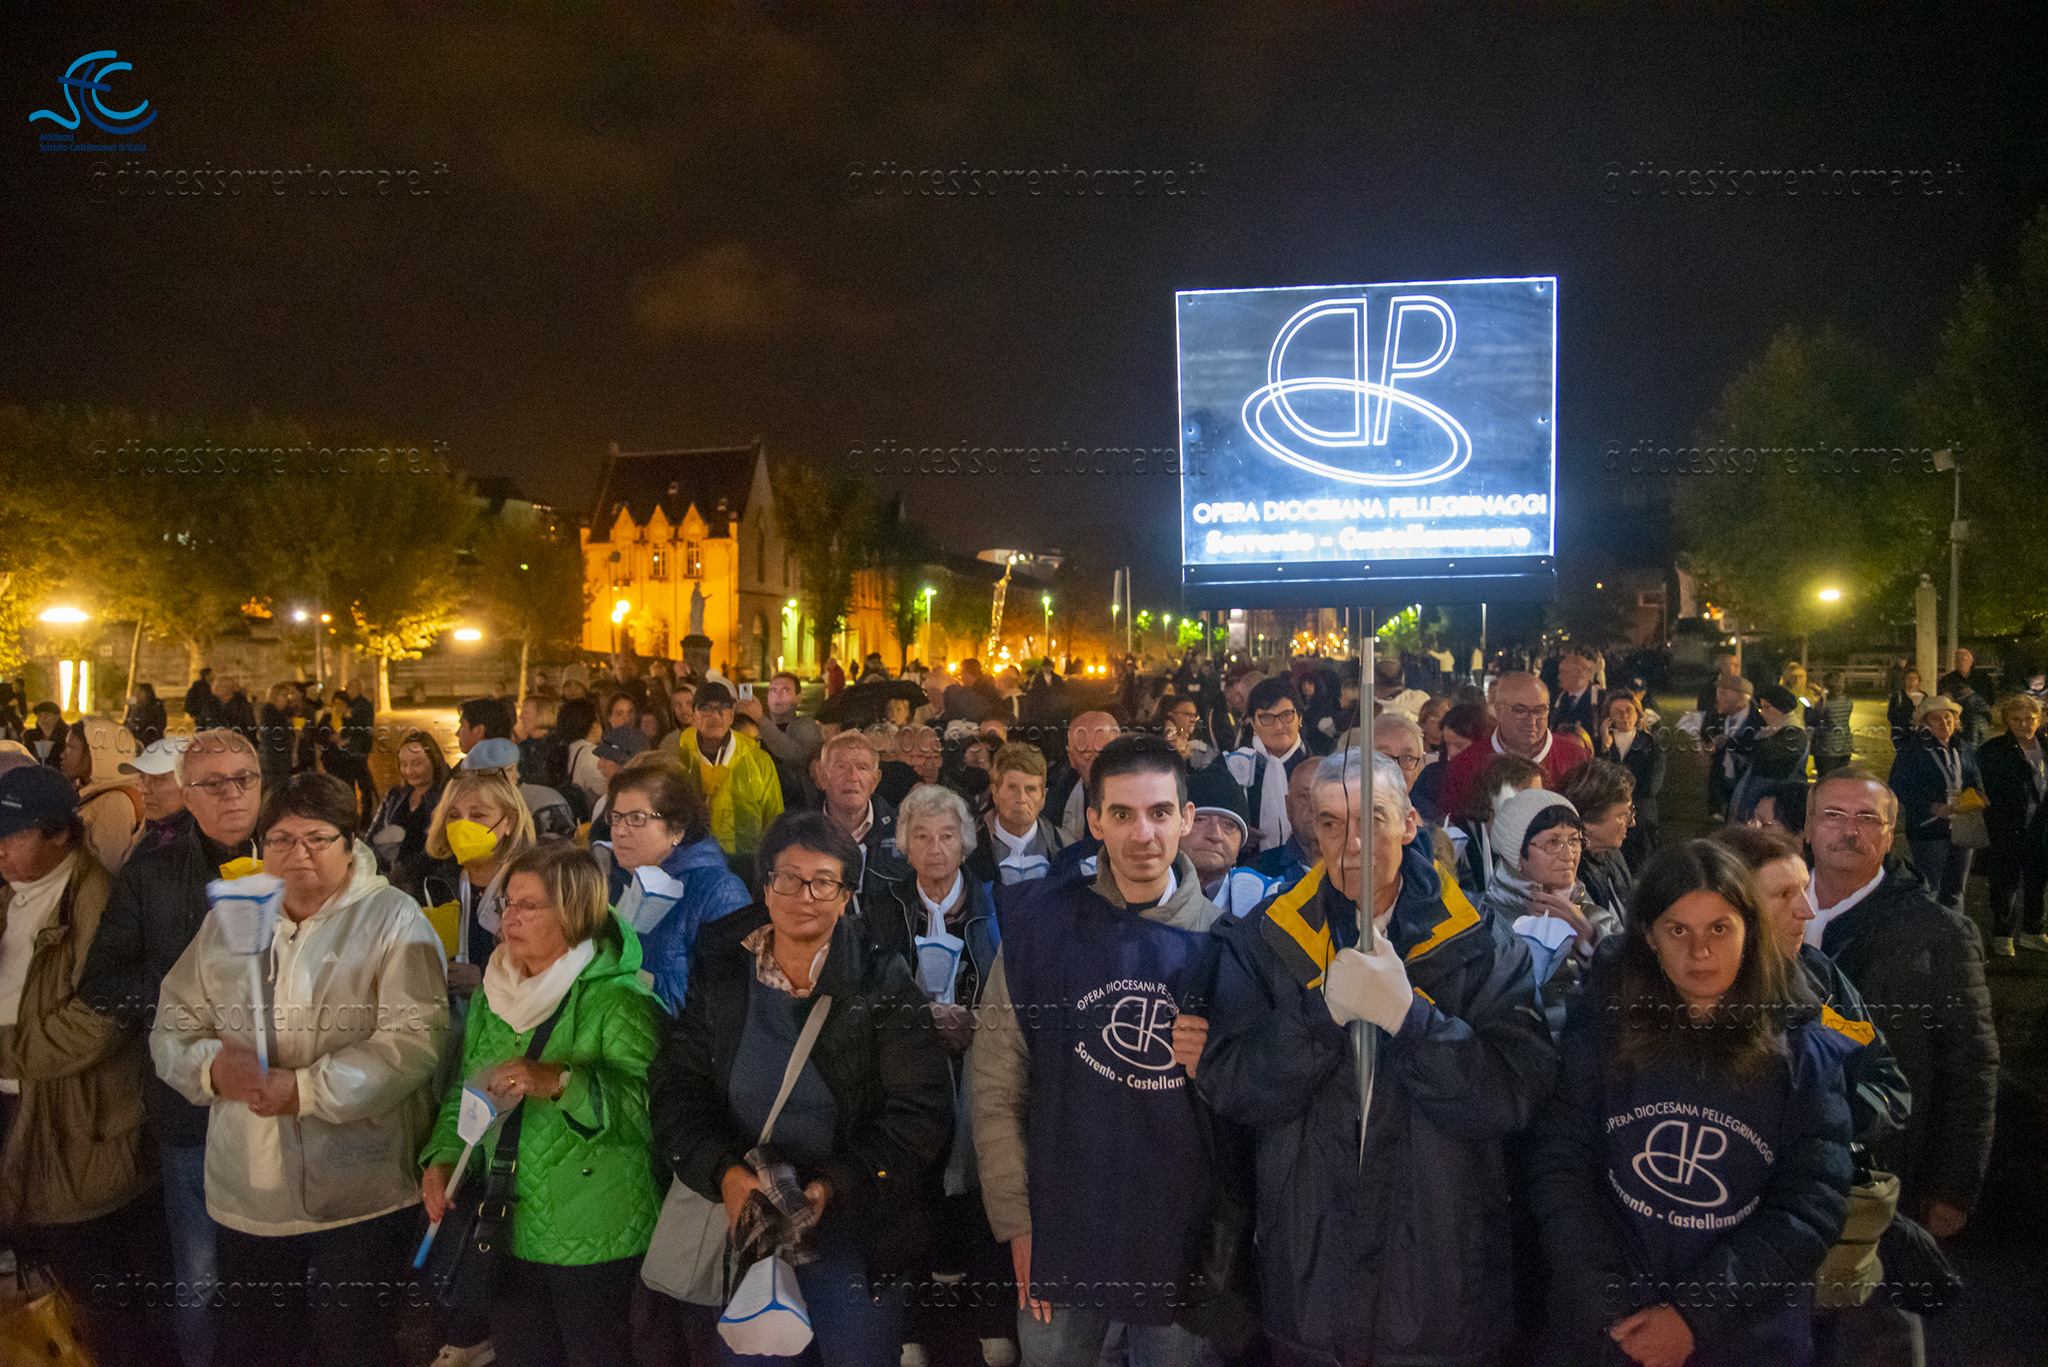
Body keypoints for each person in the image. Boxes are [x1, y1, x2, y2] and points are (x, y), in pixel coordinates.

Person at [1194, 749, 1553, 1366]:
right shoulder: (1265, 938)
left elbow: (1512, 1095)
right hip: (1308, 1278)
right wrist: (1320, 1017)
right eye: (1331, 823)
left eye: (1373, 819)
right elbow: (1234, 1087)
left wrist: (1411, 1021)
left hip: (1441, 1284)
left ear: (1410, 823)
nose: (1352, 843)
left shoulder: (1480, 941)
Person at [151, 772, 449, 1367]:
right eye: (281, 839)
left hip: (361, 1188)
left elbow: (413, 1040)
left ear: (349, 843)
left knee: (355, 1344)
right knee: (257, 1344)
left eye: (317, 838)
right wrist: (212, 1072)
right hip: (250, 1187)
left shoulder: (392, 919)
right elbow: (172, 1026)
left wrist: (307, 1089)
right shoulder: (232, 920)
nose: (298, 853)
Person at [1531, 840, 1854, 1367]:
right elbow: (1561, 1164)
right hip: (1607, 1329)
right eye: (1678, 930)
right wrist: (1614, 1303)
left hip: (1743, 1335)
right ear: (1649, 938)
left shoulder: (1801, 1050)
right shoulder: (1604, 1030)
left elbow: (1811, 1200)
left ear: (1751, 932)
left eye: (1719, 929)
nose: (1699, 952)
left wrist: (1694, 1317)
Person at [650, 811, 953, 1366]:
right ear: (765, 887)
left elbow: (921, 1113)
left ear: (846, 896)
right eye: (788, 878)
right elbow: (677, 1090)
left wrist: (831, 1190)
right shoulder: (723, 973)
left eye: (824, 882)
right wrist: (726, 1176)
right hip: (748, 1224)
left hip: (853, 1231)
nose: (804, 896)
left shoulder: (881, 982)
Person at [969, 736, 1225, 1366]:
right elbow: (996, 1083)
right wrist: (1017, 1222)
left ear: (1187, 818)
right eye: (1122, 814)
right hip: (1061, 1221)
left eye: (1160, 812)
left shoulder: (1227, 946)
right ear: (1094, 822)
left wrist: (1221, 1061)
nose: (1143, 834)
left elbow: (1250, 1107)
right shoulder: (1040, 930)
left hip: (1182, 1234)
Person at [420, 843, 663, 1367]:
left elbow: (652, 1110)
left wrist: (561, 1082)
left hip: (596, 1229)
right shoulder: (493, 993)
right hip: (508, 1221)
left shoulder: (619, 999)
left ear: (573, 912)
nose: (510, 917)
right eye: (507, 903)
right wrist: (443, 1158)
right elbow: (468, 1086)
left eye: (529, 906)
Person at [73, 728, 262, 1367]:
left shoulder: (295, 856)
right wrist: (182, 998)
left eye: (244, 779)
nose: (231, 795)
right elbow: (101, 983)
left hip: (287, 1101)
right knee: (202, 1271)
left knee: (282, 1270)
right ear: (190, 793)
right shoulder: (151, 872)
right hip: (192, 1109)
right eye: (212, 783)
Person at [1709, 822, 1917, 1367]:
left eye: (1804, 889)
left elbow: (1886, 1082)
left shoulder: (1818, 977)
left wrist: (1829, 1119)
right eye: (1783, 895)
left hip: (1809, 1245)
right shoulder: (1684, 992)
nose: (1806, 909)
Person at [0, 765, 169, 1367]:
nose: (0, 849)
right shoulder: (13, 894)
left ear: (59, 834)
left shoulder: (99, 902)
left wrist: (6, 1049)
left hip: (80, 1131)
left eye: (13, 835)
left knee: (104, 1301)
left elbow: (99, 1024)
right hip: (22, 1110)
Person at [1804, 768, 1998, 1245]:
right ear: (1807, 828)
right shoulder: (1757, 915)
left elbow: (1971, 1065)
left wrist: (1951, 1187)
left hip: (1880, 1174)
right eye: (1833, 815)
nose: (1850, 830)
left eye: (1868, 818)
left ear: (1891, 836)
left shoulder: (1940, 934)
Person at [590, 765, 750, 1013]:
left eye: (636, 819)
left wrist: (628, 976)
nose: (619, 831)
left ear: (676, 829)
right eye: (616, 818)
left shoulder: (719, 891)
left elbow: (726, 1002)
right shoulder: (620, 881)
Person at [1478, 788, 1616, 1033]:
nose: (1569, 855)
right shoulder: (1488, 923)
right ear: (1516, 853)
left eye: (1574, 840)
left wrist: (1591, 940)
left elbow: (1635, 983)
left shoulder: (1594, 918)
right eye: (1553, 842)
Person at [1437, 673, 1592, 822]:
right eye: (1520, 710)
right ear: (1498, 710)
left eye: (1539, 710)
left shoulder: (1576, 760)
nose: (1531, 721)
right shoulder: (1465, 765)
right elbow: (1453, 830)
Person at [671, 681, 785, 879]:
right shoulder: (678, 759)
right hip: (691, 862)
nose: (715, 716)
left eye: (723, 708)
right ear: (694, 715)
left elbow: (775, 818)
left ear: (732, 714)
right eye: (706, 708)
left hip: (748, 865)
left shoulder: (758, 760)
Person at [1887, 695, 1981, 914]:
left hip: (1963, 826)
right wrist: (1931, 807)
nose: (1944, 723)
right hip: (1930, 830)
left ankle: (1955, 930)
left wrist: (1978, 795)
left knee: (1956, 889)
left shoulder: (1964, 748)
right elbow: (1898, 787)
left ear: (1956, 720)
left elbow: (1974, 778)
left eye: (1948, 717)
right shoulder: (1912, 751)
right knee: (1931, 888)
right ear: (1924, 724)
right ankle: (1931, 931)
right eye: (1936, 719)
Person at [1979, 692, 2048, 954]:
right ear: (2006, 720)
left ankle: (2033, 930)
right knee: (2005, 881)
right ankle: (2003, 934)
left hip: (2041, 825)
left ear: (2039, 719)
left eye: (2030, 719)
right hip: (2007, 824)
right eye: (2017, 719)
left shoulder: (2045, 745)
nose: (2024, 724)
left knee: (2038, 878)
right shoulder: (1993, 750)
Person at [1225, 677, 1314, 855]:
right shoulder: (1233, 766)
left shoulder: (1318, 767)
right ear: (1253, 723)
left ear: (1300, 718)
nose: (1278, 726)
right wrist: (1236, 832)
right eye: (1266, 718)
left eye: (1286, 715)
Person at [964, 742, 1067, 894]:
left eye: (1030, 789)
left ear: (1043, 797)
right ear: (995, 793)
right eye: (1012, 788)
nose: (1021, 798)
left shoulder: (1066, 847)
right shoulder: (968, 850)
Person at [812, 730, 905, 889]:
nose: (852, 776)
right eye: (841, 766)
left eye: (862, 768)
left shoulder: (903, 835)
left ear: (875, 781)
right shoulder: (799, 836)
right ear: (822, 776)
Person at [1183, 760, 1275, 917]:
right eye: (1200, 820)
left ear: (1242, 842)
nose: (1215, 835)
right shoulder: (1148, 891)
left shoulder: (1268, 897)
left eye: (1229, 825)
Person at [368, 729, 452, 896]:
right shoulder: (394, 797)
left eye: (416, 763)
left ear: (433, 761)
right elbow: (372, 838)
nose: (408, 770)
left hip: (429, 889)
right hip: (390, 886)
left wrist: (405, 873)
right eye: (403, 764)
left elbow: (440, 849)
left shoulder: (446, 799)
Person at [59, 714, 145, 872]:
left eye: (72, 748)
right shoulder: (88, 791)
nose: (63, 754)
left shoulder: (115, 802)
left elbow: (106, 867)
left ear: (96, 754)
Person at [1559, 759, 1637, 931]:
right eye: (1623, 815)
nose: (1632, 823)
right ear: (1588, 822)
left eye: (1630, 812)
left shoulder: (1612, 854)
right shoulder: (1568, 871)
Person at [463, 736, 579, 843]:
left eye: (514, 769)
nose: (517, 776)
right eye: (509, 770)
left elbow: (561, 851)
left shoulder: (543, 802)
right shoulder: (471, 805)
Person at [1597, 690, 1663, 867]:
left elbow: (1650, 786)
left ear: (1638, 714)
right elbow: (1599, 780)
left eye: (1629, 710)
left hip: (1641, 820)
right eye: (1617, 712)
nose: (1624, 716)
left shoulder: (1651, 745)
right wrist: (1606, 748)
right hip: (1609, 820)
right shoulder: (1600, 744)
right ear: (1608, 716)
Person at [744, 670, 824, 811]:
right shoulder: (756, 728)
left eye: (785, 690)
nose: (778, 696)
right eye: (773, 690)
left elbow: (795, 755)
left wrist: (761, 719)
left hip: (797, 805)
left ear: (798, 698)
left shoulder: (807, 726)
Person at [1731, 684, 1809, 824]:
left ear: (1781, 708)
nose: (1762, 712)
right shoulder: (1772, 729)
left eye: (1767, 707)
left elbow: (1764, 750)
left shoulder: (1793, 733)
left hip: (1774, 804)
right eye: (1761, 708)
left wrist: (1733, 743)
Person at [1045, 711, 1121, 845]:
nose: (1097, 766)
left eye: (1103, 754)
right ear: (1072, 759)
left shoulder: (1149, 794)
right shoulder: (1054, 805)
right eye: (1087, 757)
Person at [1253, 757, 1320, 889]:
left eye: (1325, 796)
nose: (1315, 806)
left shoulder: (1360, 868)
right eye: (1305, 796)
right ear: (1288, 807)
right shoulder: (1258, 872)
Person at [1704, 675, 1762, 823]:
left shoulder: (1757, 721)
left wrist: (1730, 742)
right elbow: (1706, 731)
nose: (1718, 698)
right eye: (1718, 692)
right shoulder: (1718, 716)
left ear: (1742, 698)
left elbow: (1754, 747)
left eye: (1723, 693)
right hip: (1722, 779)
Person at [120, 735, 191, 844]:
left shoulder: (201, 844)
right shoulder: (152, 834)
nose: (143, 789)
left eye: (157, 778)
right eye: (142, 777)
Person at [1937, 648, 1993, 748]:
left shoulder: (1982, 677)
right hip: (1959, 717)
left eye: (1963, 659)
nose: (1960, 663)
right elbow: (1942, 699)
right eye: (1957, 660)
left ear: (1970, 662)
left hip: (1979, 716)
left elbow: (1990, 698)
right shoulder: (1947, 679)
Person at [255, 682, 300, 793]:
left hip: (280, 761)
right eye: (284, 695)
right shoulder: (269, 710)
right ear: (275, 696)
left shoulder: (280, 712)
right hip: (274, 762)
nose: (287, 698)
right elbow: (273, 735)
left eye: (287, 695)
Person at [1811, 671, 1856, 776]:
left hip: (1826, 748)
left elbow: (1814, 719)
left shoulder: (1824, 702)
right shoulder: (1848, 700)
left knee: (1825, 780)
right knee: (1840, 779)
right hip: (1845, 746)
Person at [1550, 649, 1600, 739]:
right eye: (1559, 672)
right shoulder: (1554, 698)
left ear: (1582, 674)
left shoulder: (1600, 700)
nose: (1559, 677)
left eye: (1564, 672)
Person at [1886, 668, 1925, 750]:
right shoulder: (1898, 697)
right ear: (1904, 681)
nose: (1912, 681)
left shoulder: (1923, 696)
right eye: (1909, 678)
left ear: (1919, 680)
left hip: (1920, 736)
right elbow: (1891, 716)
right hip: (1902, 736)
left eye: (1915, 678)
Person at [124, 681, 169, 748]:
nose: (137, 695)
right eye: (137, 692)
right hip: (135, 745)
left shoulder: (156, 708)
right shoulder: (134, 708)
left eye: (140, 692)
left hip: (152, 745)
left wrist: (138, 727)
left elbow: (158, 728)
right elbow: (126, 724)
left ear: (148, 693)